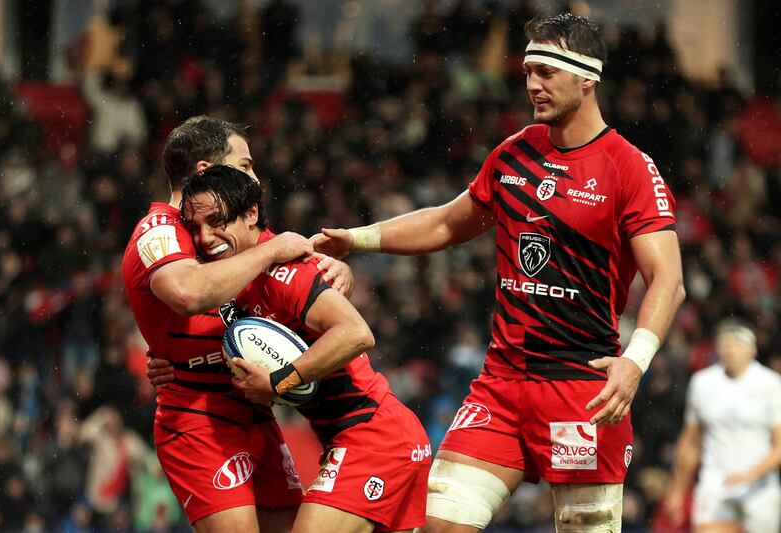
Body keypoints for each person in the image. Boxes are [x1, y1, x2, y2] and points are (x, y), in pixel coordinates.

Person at [311, 13, 685, 532]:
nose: (532, 83)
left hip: (583, 390)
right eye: (529, 70)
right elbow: (446, 222)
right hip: (502, 386)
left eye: (547, 71)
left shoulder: (629, 168)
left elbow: (669, 279)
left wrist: (636, 361)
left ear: (587, 77)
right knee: (438, 524)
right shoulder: (515, 153)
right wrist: (357, 238)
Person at [122, 115, 354, 532]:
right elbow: (189, 293)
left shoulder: (221, 227)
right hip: (198, 415)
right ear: (205, 171)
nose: (255, 177)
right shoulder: (157, 230)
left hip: (252, 406)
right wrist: (272, 252)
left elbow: (282, 277)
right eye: (245, 165)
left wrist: (333, 272)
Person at [181, 164, 431, 533]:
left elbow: (356, 333)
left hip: (374, 439)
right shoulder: (239, 277)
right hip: (363, 439)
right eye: (195, 228)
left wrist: (280, 381)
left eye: (217, 221)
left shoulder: (284, 269)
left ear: (251, 214)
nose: (204, 237)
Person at [664, 319, 781, 533]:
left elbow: (779, 446)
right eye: (726, 344)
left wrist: (749, 475)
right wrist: (677, 490)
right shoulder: (702, 383)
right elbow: (690, 442)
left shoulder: (771, 384)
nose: (731, 349)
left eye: (738, 344)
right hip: (715, 483)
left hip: (760, 488)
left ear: (753, 350)